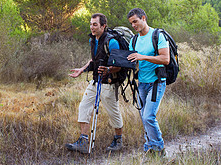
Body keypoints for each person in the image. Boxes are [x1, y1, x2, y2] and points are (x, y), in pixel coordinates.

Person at [66, 13, 124, 153]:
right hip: (95, 81)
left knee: (113, 113)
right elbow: (94, 60)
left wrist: (108, 70)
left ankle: (118, 139)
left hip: (109, 83)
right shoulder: (93, 40)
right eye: (91, 24)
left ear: (103, 26)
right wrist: (82, 69)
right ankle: (83, 141)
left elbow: (120, 65)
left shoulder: (112, 42)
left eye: (95, 24)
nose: (92, 27)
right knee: (84, 107)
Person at [126, 8, 169, 155]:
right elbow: (133, 60)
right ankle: (149, 148)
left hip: (157, 82)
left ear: (143, 18)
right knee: (144, 118)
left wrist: (142, 57)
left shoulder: (158, 35)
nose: (133, 25)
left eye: (135, 21)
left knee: (148, 116)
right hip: (142, 84)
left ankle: (159, 148)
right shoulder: (134, 40)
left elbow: (165, 59)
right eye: (131, 23)